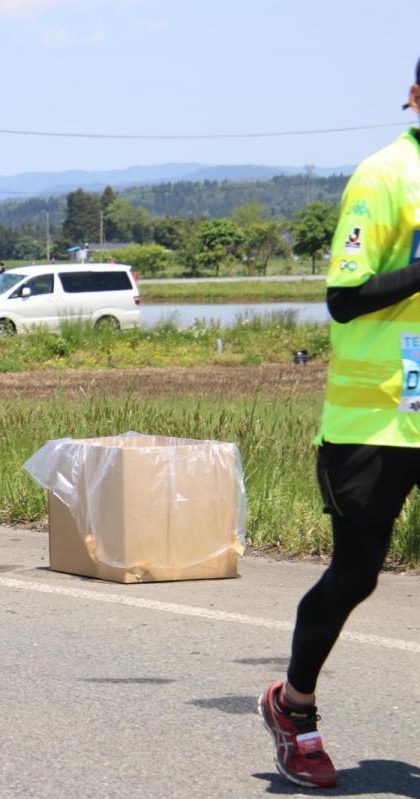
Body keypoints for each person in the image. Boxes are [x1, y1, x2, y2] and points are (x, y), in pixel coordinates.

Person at [258, 59, 420, 790]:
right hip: (377, 418)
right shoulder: (385, 176)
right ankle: (294, 708)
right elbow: (344, 297)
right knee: (357, 573)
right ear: (416, 96)